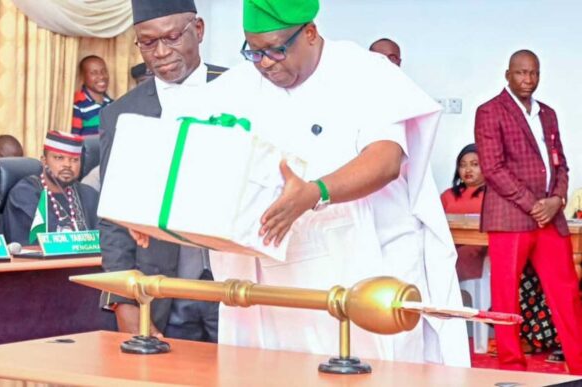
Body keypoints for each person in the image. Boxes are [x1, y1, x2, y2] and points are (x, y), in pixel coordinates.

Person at [132, 0, 468, 365]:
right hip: (274, 282)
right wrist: (158, 218)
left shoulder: (365, 72)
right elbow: (194, 166)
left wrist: (315, 192)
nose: (264, 63)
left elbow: (386, 159)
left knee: (368, 369)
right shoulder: (233, 88)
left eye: (276, 50)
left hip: (366, 264)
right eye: (253, 51)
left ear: (310, 33)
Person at [98, 0, 226, 343]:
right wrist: (122, 301)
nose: (161, 52)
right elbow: (114, 217)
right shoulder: (123, 113)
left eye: (171, 37)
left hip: (239, 290)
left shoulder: (243, 89)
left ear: (198, 30)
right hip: (161, 292)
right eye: (148, 42)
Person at [475, 49, 582, 374]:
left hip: (550, 216)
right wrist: (533, 204)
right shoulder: (490, 111)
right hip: (511, 217)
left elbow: (560, 163)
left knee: (566, 292)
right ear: (508, 74)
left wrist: (558, 199)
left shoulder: (547, 113)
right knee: (506, 296)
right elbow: (492, 168)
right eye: (521, 73)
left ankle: (578, 364)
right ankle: (511, 369)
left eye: (533, 73)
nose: (528, 79)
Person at [2, 131, 98, 245]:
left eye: (74, 160)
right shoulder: (24, 194)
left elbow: (108, 239)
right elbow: (27, 247)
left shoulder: (90, 195)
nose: (67, 165)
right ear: (44, 161)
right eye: (59, 158)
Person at [440, 143, 487, 281]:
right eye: (463, 165)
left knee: (465, 254)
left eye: (474, 164)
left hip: (483, 247)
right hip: (450, 245)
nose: (468, 169)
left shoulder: (494, 196)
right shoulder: (448, 196)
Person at [72, 56, 113, 136]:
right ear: (82, 77)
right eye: (94, 73)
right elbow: (74, 141)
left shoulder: (113, 104)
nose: (101, 76)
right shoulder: (78, 106)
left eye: (104, 71)